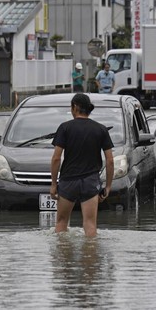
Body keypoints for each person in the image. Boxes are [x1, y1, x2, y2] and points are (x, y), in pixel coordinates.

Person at [50, 93, 114, 237]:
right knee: (90, 224)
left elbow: (56, 158)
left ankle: (63, 258)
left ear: (75, 107)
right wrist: (108, 186)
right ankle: (90, 257)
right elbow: (110, 160)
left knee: (61, 222)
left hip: (68, 181)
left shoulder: (65, 128)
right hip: (90, 181)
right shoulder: (101, 129)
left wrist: (54, 184)